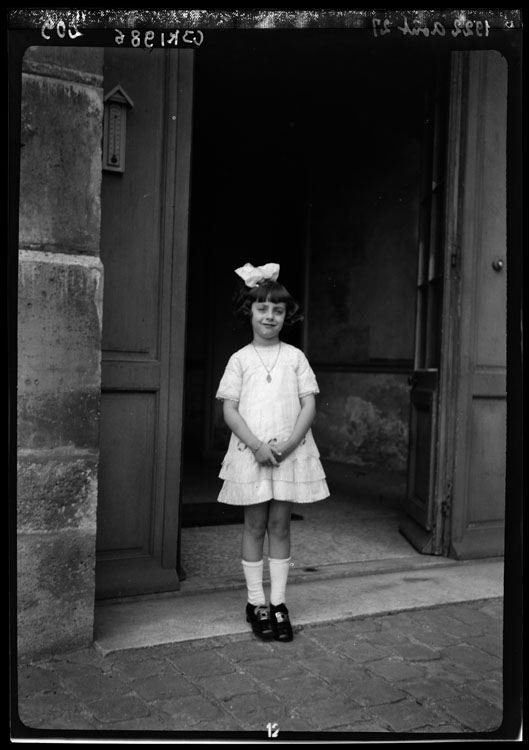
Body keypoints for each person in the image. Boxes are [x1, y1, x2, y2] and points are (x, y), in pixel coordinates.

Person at [215, 262, 330, 642]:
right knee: (255, 525)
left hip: (288, 452)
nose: (270, 316)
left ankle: (278, 602)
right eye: (262, 308)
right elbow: (230, 409)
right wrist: (258, 446)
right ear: (249, 311)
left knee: (280, 525)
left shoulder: (295, 357)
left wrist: (289, 444)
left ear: (287, 315)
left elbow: (308, 405)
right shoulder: (240, 360)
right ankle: (255, 602)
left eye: (277, 310)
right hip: (254, 453)